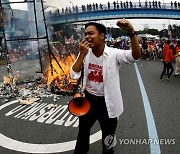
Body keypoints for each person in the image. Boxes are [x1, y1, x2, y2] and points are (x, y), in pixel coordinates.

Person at [70, 18, 141, 154]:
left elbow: (135, 56)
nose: (87, 37)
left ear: (102, 36)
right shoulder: (85, 53)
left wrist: (132, 33)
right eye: (85, 34)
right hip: (88, 101)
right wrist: (82, 54)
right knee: (82, 135)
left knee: (108, 138)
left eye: (91, 33)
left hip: (107, 103)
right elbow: (74, 74)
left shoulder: (114, 54)